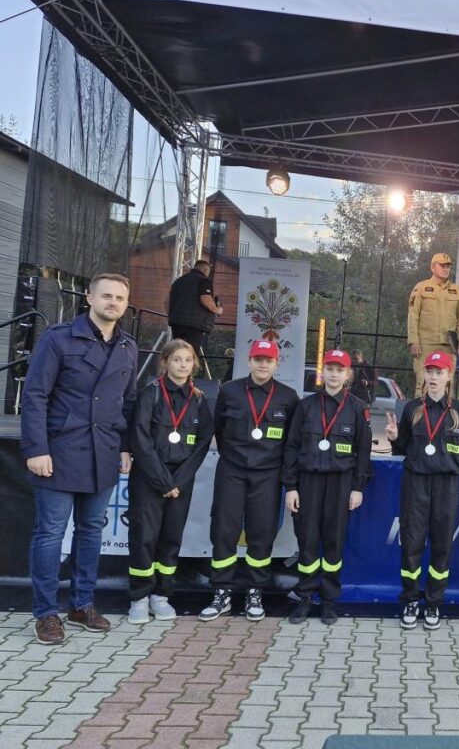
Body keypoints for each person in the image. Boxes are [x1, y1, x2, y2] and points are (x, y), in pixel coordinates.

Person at [22, 273, 137, 644]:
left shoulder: (128, 347)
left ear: (125, 304)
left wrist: (125, 446)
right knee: (50, 534)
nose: (113, 302)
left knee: (91, 532)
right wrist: (36, 449)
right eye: (106, 295)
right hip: (59, 451)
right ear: (89, 298)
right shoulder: (58, 338)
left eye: (120, 298)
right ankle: (45, 613)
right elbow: (35, 396)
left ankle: (82, 604)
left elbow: (127, 401)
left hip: (103, 453)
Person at [200, 339, 299, 622]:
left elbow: (292, 442)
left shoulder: (288, 397)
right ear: (249, 361)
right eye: (258, 359)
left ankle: (255, 591)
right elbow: (219, 428)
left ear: (276, 364)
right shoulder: (229, 391)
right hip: (232, 470)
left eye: (268, 360)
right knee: (224, 531)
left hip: (268, 474)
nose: (263, 365)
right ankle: (222, 591)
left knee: (261, 532)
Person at [385, 350, 459, 631]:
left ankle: (434, 602)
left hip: (447, 485)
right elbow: (402, 447)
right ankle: (411, 600)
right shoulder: (412, 409)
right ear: (424, 375)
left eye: (439, 372)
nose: (433, 377)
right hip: (416, 483)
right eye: (430, 371)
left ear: (449, 376)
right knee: (412, 543)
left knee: (441, 544)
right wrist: (394, 438)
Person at [126, 339, 214, 624]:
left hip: (180, 482)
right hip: (150, 479)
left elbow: (202, 444)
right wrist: (164, 482)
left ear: (194, 364)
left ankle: (161, 596)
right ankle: (139, 598)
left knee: (171, 538)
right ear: (165, 363)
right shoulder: (150, 394)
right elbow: (140, 439)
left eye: (188, 360)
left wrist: (178, 481)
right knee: (144, 538)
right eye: (177, 359)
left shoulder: (199, 399)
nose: (183, 365)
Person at [283, 349, 372, 625]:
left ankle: (329, 599)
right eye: (330, 369)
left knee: (334, 541)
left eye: (340, 370)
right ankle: (305, 596)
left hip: (340, 483)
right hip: (308, 482)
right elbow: (291, 447)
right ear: (322, 373)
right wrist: (291, 486)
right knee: (307, 540)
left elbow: (363, 451)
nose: (334, 374)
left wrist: (357, 488)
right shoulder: (305, 406)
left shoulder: (358, 408)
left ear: (348, 374)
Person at [407, 253, 459, 391]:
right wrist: (413, 341)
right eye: (442, 266)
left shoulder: (457, 290)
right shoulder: (421, 287)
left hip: (449, 345)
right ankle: (421, 406)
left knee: (447, 385)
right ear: (432, 267)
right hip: (425, 343)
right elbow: (413, 315)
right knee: (423, 384)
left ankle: (446, 406)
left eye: (448, 266)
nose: (446, 269)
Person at [167, 260, 223, 358]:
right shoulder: (203, 280)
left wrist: (173, 315)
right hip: (194, 325)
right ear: (205, 270)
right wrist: (218, 309)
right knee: (190, 353)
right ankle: (188, 367)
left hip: (177, 323)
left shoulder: (178, 281)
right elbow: (205, 300)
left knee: (177, 351)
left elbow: (166, 302)